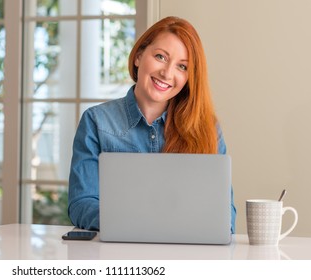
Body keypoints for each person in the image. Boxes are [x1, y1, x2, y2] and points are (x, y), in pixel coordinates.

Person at [68, 16, 236, 233]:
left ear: (189, 78)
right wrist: (132, 222)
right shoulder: (96, 121)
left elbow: (225, 213)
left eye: (182, 67)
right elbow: (81, 203)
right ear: (139, 56)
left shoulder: (208, 129)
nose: (167, 73)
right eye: (160, 57)